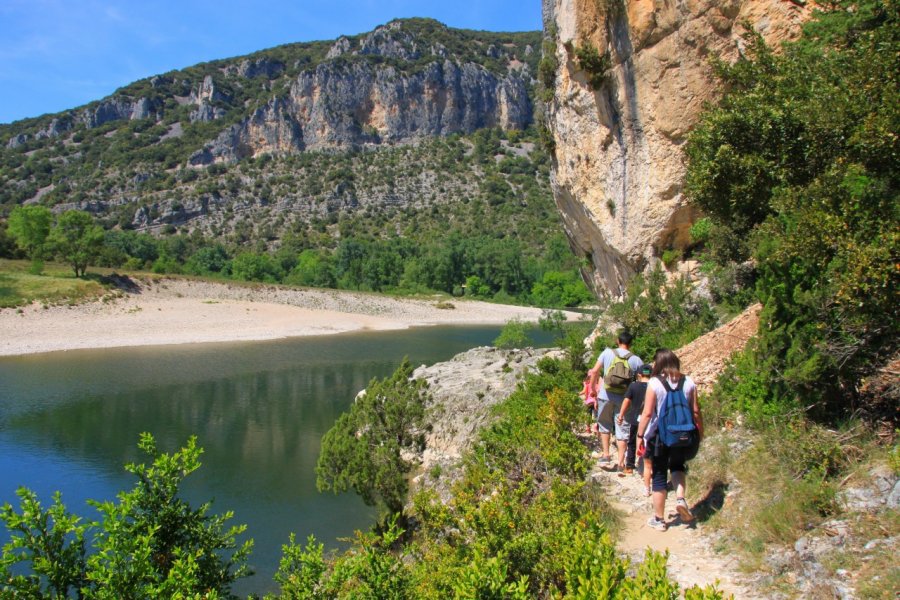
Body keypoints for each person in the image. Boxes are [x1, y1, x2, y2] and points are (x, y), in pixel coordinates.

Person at [636, 348, 703, 532]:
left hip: (660, 436)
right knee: (678, 466)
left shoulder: (655, 383)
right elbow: (695, 411)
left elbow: (648, 413)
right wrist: (700, 432)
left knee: (658, 474)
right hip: (683, 434)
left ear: (658, 364)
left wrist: (640, 435)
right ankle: (680, 498)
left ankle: (659, 519)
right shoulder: (688, 381)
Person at [587, 331, 643, 466]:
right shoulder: (636, 359)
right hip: (624, 399)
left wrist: (593, 389)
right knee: (622, 428)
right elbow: (641, 380)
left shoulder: (607, 353)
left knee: (604, 424)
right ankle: (621, 462)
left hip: (605, 395)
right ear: (630, 344)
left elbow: (594, 371)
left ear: (618, 341)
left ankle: (606, 455)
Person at [617, 363, 651, 482]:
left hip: (636, 419)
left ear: (639, 374)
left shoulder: (633, 386)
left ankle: (630, 466)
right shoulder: (654, 386)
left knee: (632, 442)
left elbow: (626, 401)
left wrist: (621, 415)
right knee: (649, 442)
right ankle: (648, 467)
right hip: (651, 420)